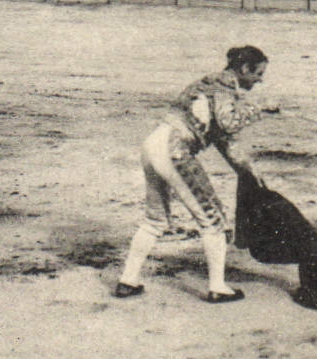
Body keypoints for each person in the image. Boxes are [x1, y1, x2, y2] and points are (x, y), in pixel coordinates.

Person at [114, 45, 274, 302]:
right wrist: (260, 109)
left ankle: (128, 281)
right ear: (244, 69)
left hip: (152, 144)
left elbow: (224, 140)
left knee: (155, 219)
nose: (259, 81)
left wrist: (247, 169)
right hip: (175, 151)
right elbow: (228, 123)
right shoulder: (223, 91)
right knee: (213, 219)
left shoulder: (208, 83)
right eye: (258, 74)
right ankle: (218, 287)